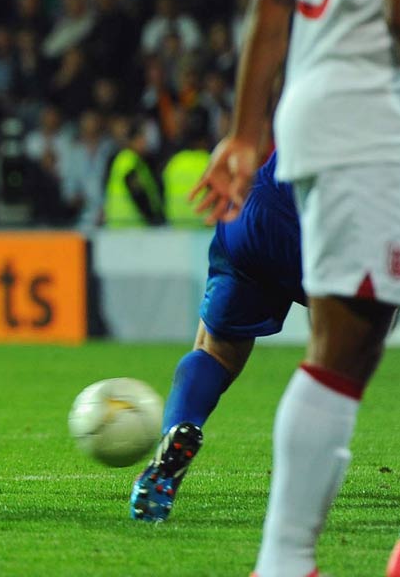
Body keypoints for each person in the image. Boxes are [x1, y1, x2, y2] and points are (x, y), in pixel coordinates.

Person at [189, 0, 400, 576]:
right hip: (376, 119)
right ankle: (283, 564)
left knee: (350, 340)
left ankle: (290, 563)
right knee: (344, 346)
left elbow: (271, 2)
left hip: (318, 116)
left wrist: (247, 133)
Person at [130, 151, 303, 522]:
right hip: (336, 224)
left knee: (216, 352)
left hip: (256, 208)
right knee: (345, 359)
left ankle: (174, 443)